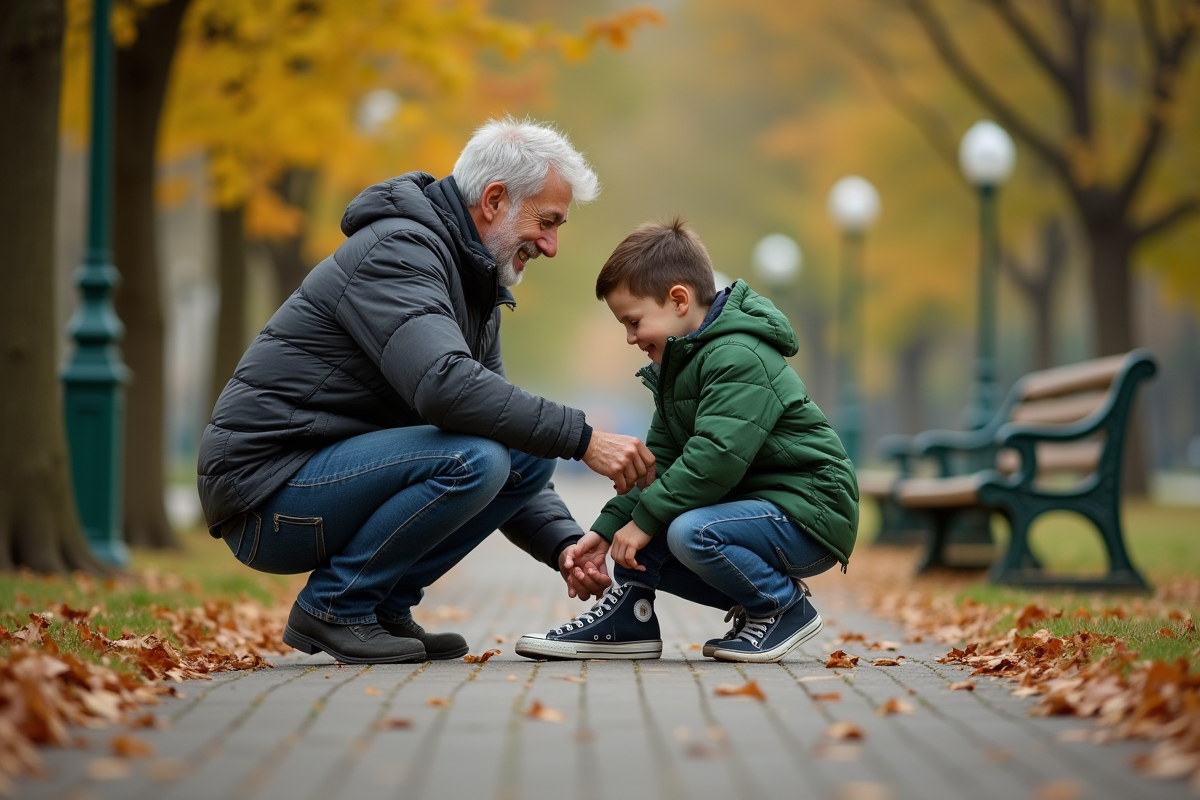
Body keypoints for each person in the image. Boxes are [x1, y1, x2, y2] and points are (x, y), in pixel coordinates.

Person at [198, 118, 655, 665]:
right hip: (266, 498)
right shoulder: (398, 251)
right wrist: (584, 439)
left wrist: (564, 545)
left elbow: (500, 423)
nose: (551, 246)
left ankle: (383, 608)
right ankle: (336, 606)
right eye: (547, 221)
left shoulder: (473, 281)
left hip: (321, 479)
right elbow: (444, 387)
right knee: (474, 460)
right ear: (493, 200)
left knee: (524, 453)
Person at [516, 218, 858, 663]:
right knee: (647, 532)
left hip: (810, 510)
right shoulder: (680, 370)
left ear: (679, 300)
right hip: (758, 509)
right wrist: (605, 531)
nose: (630, 337)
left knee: (688, 531)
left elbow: (714, 460)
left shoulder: (739, 355)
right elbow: (658, 464)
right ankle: (631, 618)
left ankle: (781, 606)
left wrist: (642, 523)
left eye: (634, 321)